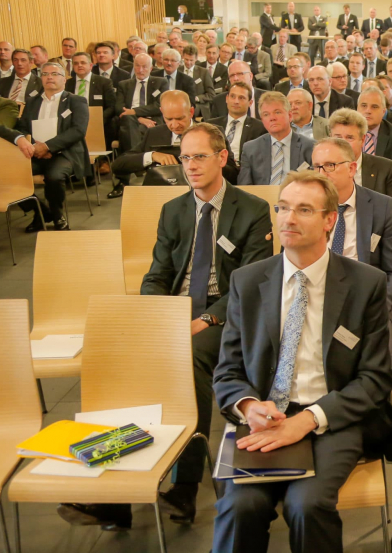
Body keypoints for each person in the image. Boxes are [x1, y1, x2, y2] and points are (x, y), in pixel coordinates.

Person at [59, 123, 274, 531]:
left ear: (222, 158)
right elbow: (158, 273)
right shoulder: (173, 209)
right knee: (118, 360)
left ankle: (184, 485)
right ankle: (115, 493)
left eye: (199, 156)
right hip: (174, 310)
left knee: (188, 359)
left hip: (224, 312)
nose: (190, 165)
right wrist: (154, 317)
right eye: (185, 157)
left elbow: (251, 284)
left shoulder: (251, 209)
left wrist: (204, 319)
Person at [212, 171, 392, 553]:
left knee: (307, 505)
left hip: (332, 418)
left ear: (330, 220)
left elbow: (376, 377)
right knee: (239, 505)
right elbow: (228, 369)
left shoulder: (366, 283)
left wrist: (308, 419)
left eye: (303, 210)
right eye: (282, 208)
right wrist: (250, 406)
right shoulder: (248, 282)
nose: (288, 219)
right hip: (265, 419)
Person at [312, 137, 392, 370]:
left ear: (352, 168)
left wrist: (376, 307)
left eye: (330, 166)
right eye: (317, 167)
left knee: (375, 363)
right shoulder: (308, 207)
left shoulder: (381, 206)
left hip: (367, 299)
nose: (322, 173)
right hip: (317, 297)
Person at [15, 61, 88, 231]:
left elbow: (78, 131)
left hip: (65, 153)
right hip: (34, 152)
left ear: (64, 79)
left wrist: (48, 147)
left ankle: (57, 214)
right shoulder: (32, 102)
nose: (49, 77)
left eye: (55, 74)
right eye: (46, 74)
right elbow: (22, 128)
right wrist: (34, 147)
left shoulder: (76, 101)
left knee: (54, 177)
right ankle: (40, 211)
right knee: (11, 174)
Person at [329, 107, 392, 229]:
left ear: (363, 140)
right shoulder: (321, 170)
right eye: (338, 137)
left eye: (350, 138)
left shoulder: (386, 169)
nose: (343, 143)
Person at [237, 91, 315, 185]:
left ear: (290, 116)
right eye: (266, 114)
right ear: (262, 120)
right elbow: (245, 188)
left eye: (277, 112)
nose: (272, 118)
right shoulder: (250, 149)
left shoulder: (310, 147)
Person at [357, 86, 392, 192]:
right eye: (363, 106)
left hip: (384, 198)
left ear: (383, 111)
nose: (368, 111)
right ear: (357, 108)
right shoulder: (346, 135)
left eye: (374, 107)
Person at [207, 82, 266, 165]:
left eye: (241, 98)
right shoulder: (211, 125)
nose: (236, 101)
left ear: (250, 103)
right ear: (227, 99)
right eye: (232, 96)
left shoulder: (259, 128)